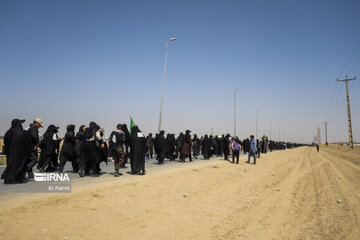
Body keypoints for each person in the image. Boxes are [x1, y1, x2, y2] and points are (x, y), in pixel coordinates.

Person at [1, 119, 32, 184]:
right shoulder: (23, 133)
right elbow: (28, 143)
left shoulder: (8, 132)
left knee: (10, 165)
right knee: (20, 165)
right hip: (21, 154)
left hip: (10, 153)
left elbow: (6, 143)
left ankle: (9, 179)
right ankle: (18, 179)